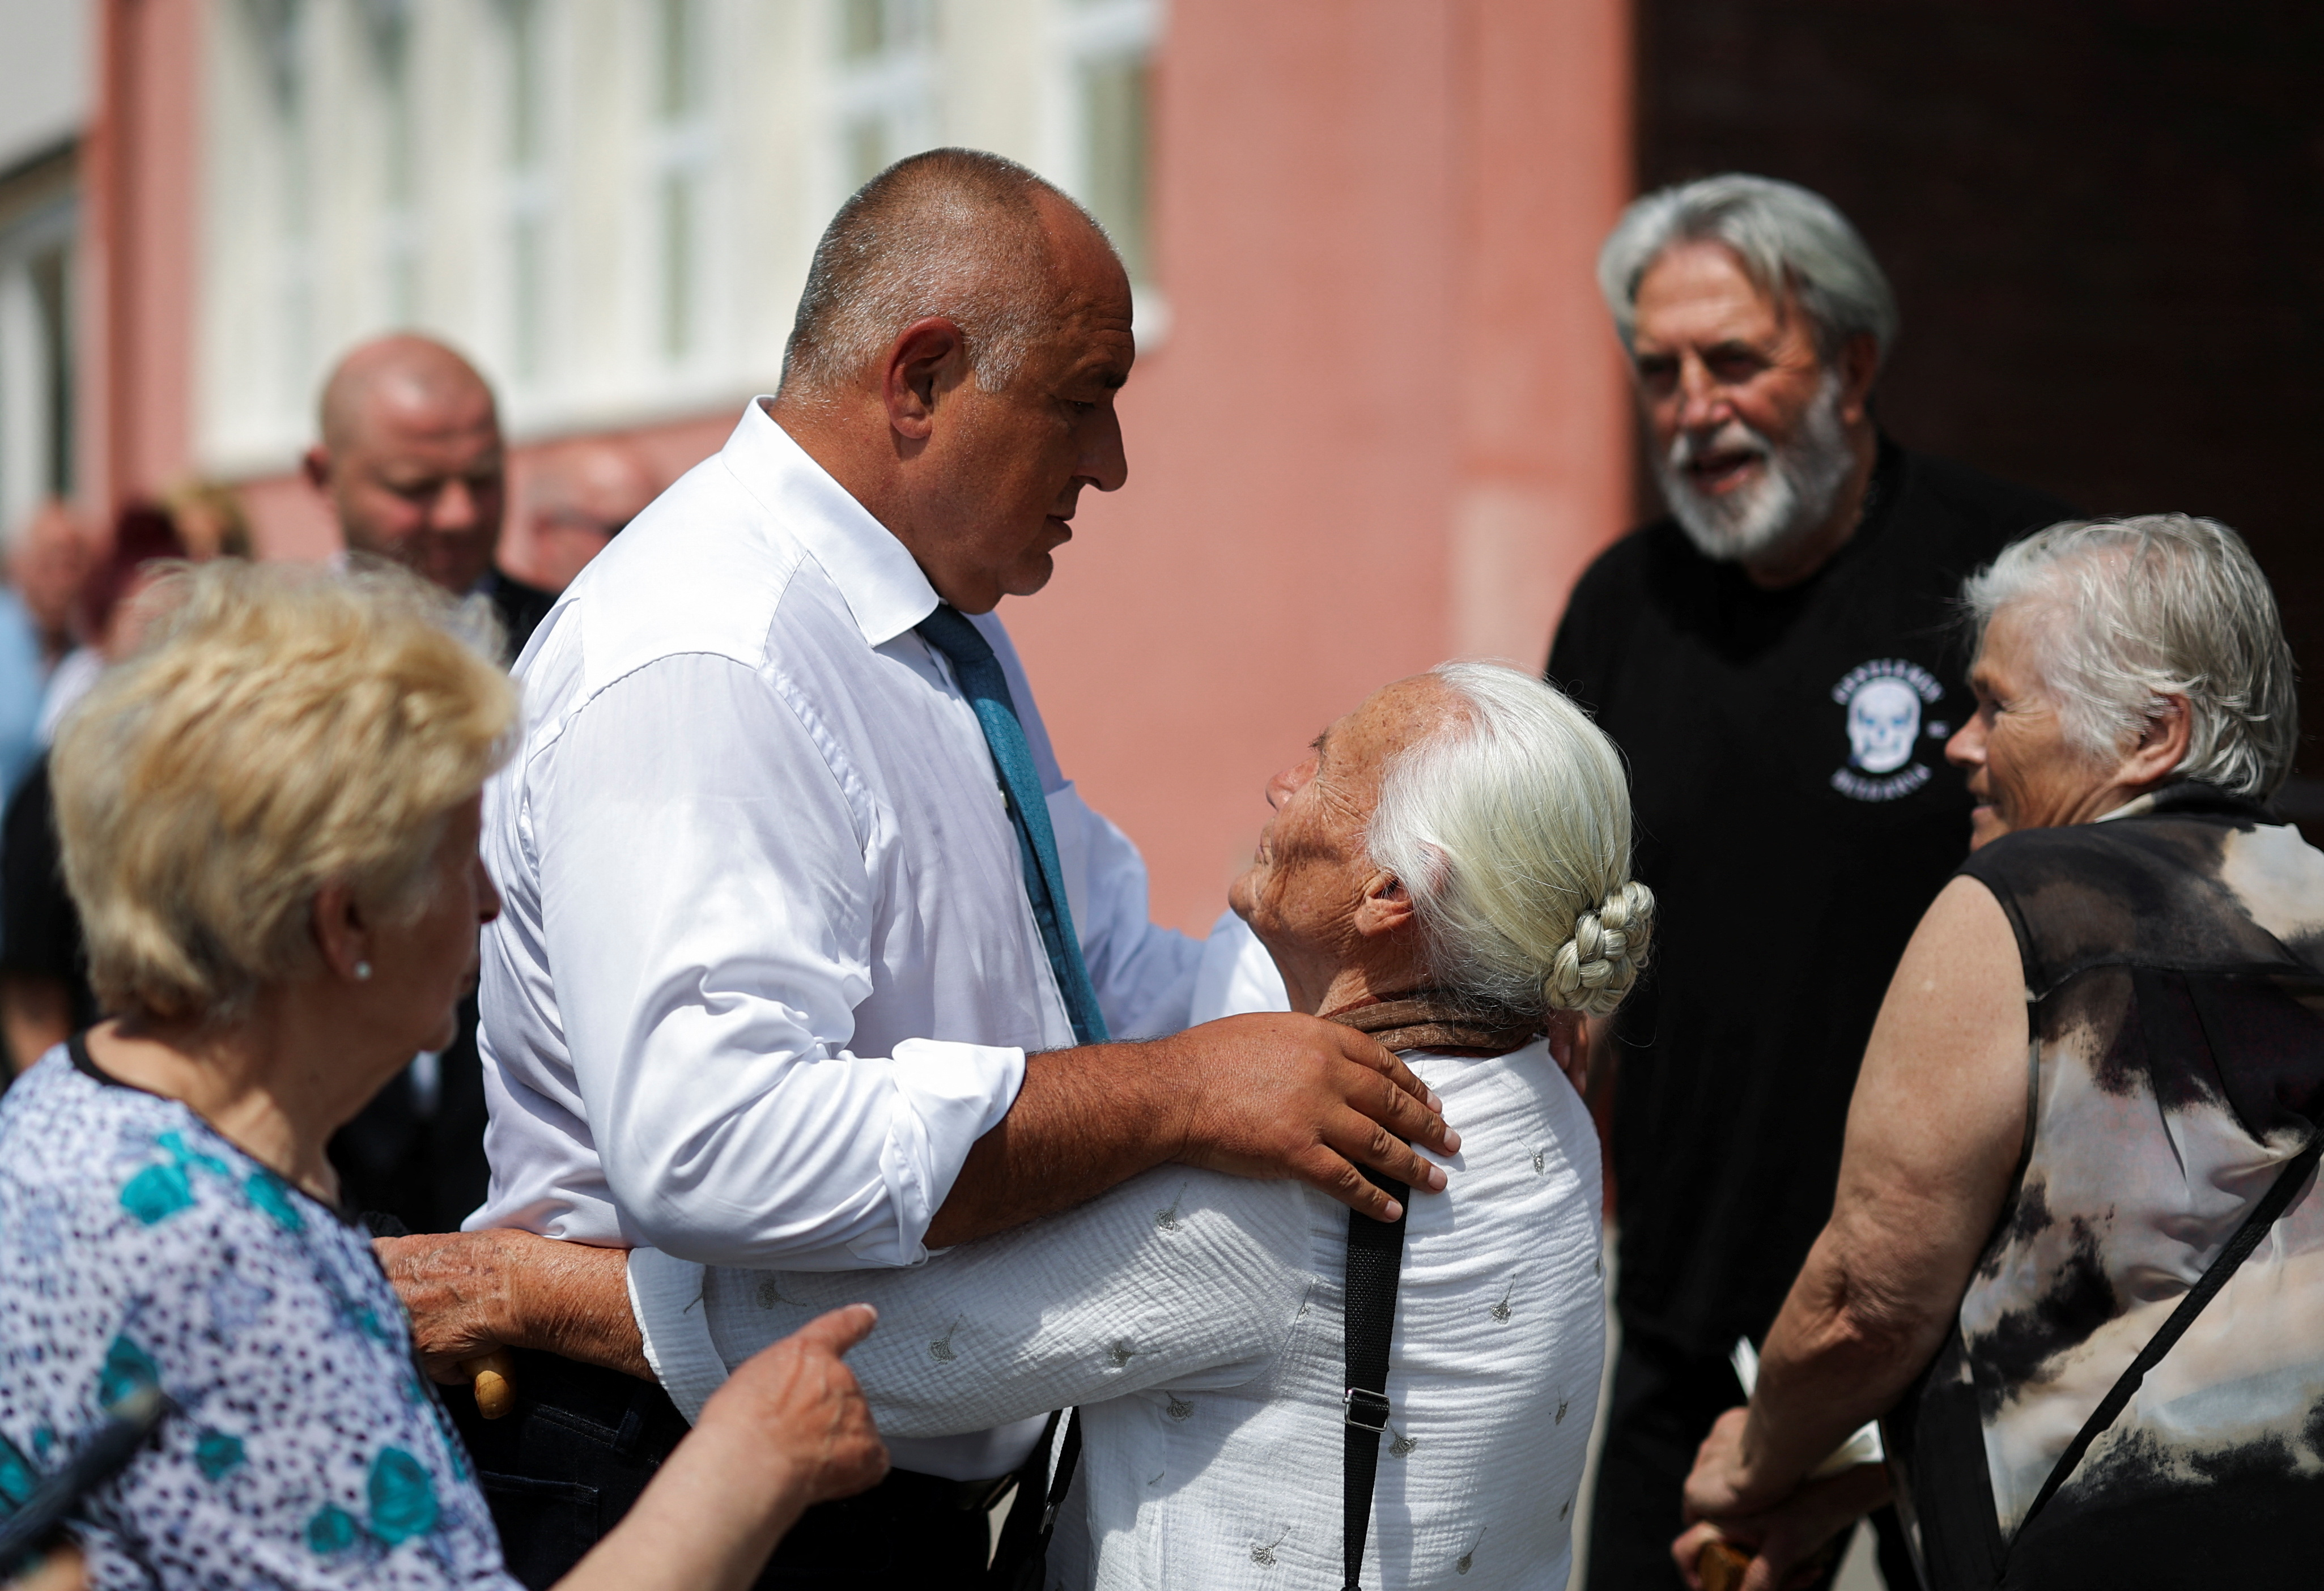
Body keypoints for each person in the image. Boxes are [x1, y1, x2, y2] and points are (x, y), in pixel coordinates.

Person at [389, 147, 1456, 1588]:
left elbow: (1103, 973)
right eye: (1082, 400)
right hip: (685, 1481)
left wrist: (1425, 987)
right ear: (921, 377)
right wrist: (1183, 1094)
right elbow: (717, 1147)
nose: (1110, 463)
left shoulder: (921, 620)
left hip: (847, 1481)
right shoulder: (710, 648)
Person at [439, 662, 1642, 1589]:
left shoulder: (1299, 1190)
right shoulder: (1539, 1090)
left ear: (1392, 896)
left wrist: (509, 1287)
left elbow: (880, 1344)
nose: (1282, 783)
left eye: (1322, 766)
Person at [0, 560, 889, 1590]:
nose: (489, 902)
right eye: (462, 852)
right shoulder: (226, 1263)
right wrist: (752, 1459)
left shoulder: (72, 1110)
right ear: (346, 920)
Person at [1545, 174, 2073, 1588]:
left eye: (1734, 360)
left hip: (1960, 1325)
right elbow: (1556, 947)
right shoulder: (1616, 607)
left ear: (1847, 363)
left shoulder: (2010, 587)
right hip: (1682, 1312)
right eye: (1657, 371)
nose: (1690, 405)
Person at [1674, 514, 2324, 1590]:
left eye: (1996, 704)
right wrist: (1842, 1496)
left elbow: (1865, 1301)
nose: (1958, 744)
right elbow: (2177, 1338)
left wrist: (1750, 1463)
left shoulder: (2025, 902)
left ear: (2153, 735)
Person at [304, 335, 554, 1237]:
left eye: (483, 480)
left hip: (517, 1184)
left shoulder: (580, 642)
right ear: (320, 476)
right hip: (306, 1169)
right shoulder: (261, 675)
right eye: (413, 487)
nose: (455, 514)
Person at [1, 508, 189, 1078]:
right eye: (147, 631)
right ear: (104, 641)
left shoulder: (223, 787)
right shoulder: (63, 785)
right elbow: (33, 993)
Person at [510, 438, 658, 592]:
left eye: (655, 527)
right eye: (621, 529)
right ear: (546, 532)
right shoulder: (504, 613)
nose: (645, 544)